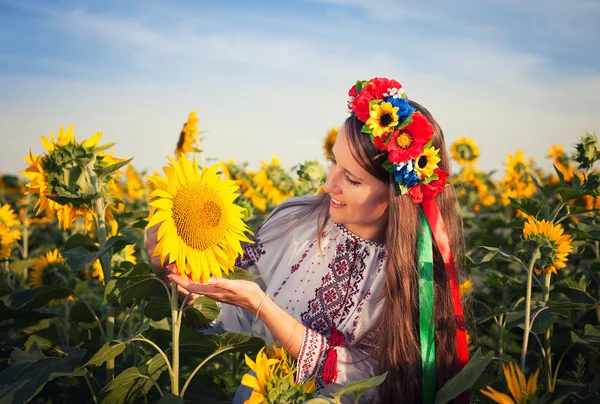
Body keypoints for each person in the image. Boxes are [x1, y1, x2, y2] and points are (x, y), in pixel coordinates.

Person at [146, 77, 470, 403]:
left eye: (352, 179)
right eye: (334, 161)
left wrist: (265, 309)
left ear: (396, 197)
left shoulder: (413, 275)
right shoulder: (294, 219)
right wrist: (184, 281)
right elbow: (236, 316)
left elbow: (374, 383)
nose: (330, 185)